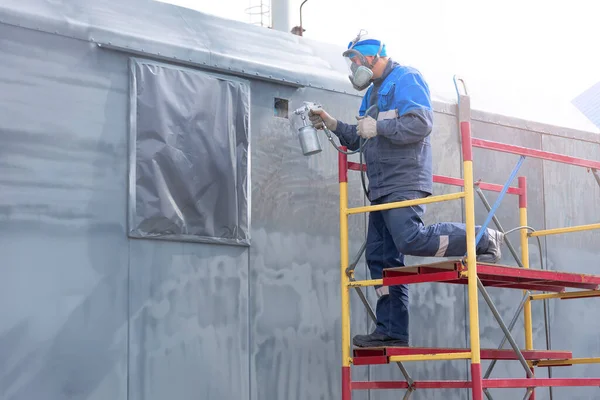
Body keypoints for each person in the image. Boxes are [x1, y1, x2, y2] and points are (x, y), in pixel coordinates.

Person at [308, 31, 505, 348]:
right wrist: (332, 124)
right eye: (352, 62)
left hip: (404, 178)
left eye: (357, 60)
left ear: (374, 56)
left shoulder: (406, 78)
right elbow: (360, 138)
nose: (354, 67)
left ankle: (483, 237)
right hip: (381, 186)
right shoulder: (370, 95)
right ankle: (392, 329)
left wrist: (380, 126)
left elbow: (421, 123)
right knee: (380, 258)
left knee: (409, 237)